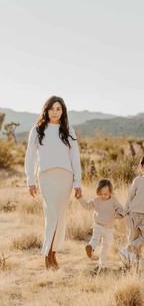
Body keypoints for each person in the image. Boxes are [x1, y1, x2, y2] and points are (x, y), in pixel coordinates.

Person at [25, 96, 82, 269]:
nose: (55, 112)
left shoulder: (68, 130)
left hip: (65, 177)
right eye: (52, 108)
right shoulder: (37, 129)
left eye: (58, 109)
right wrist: (30, 180)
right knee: (51, 215)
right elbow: (30, 156)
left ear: (63, 111)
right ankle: (46, 253)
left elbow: (75, 157)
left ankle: (53, 254)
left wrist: (77, 182)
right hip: (46, 177)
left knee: (60, 216)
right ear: (46, 110)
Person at [78, 179, 125, 270]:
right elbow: (87, 206)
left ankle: (103, 265)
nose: (103, 196)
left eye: (105, 194)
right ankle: (90, 248)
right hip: (98, 225)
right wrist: (80, 198)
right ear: (98, 192)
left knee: (105, 246)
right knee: (95, 238)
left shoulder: (113, 200)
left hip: (109, 228)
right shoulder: (96, 200)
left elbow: (120, 208)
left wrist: (120, 214)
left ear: (111, 192)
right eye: (101, 194)